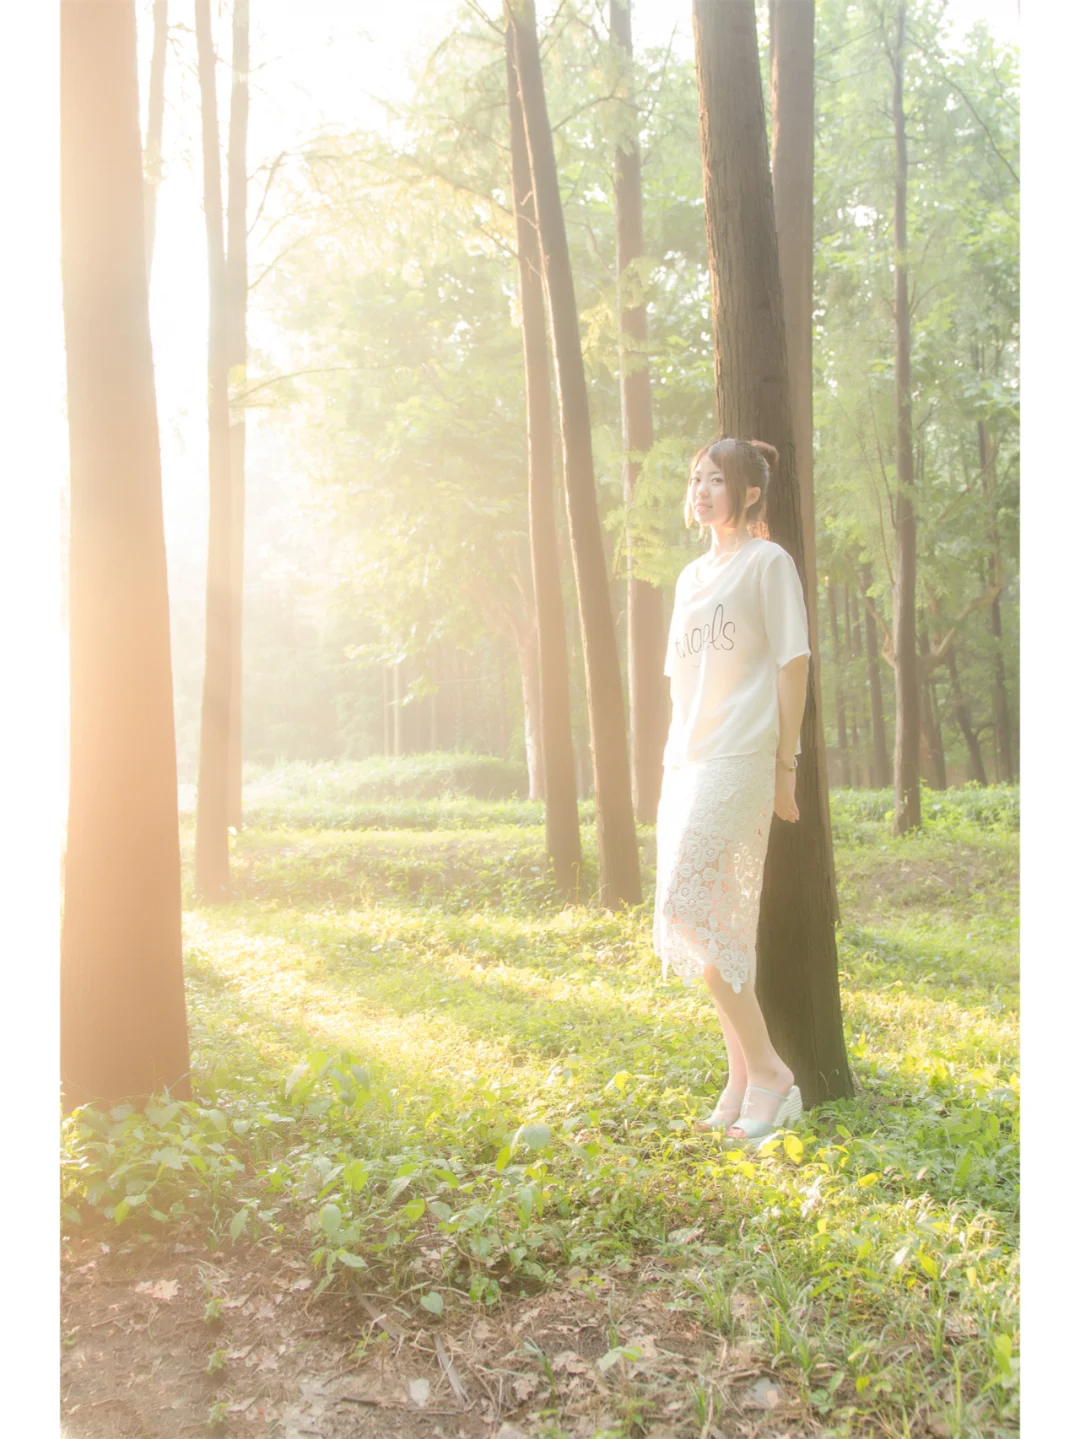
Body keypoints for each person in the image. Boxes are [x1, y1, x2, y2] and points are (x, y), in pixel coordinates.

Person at [652, 437, 810, 1143]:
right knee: (714, 920)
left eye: (719, 479)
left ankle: (773, 1070)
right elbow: (681, 685)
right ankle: (740, 1076)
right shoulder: (689, 578)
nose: (704, 489)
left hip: (743, 756)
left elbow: (792, 665)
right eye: (698, 478)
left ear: (749, 493)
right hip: (688, 760)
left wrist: (786, 766)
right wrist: (671, 761)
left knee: (691, 903)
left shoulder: (768, 563)